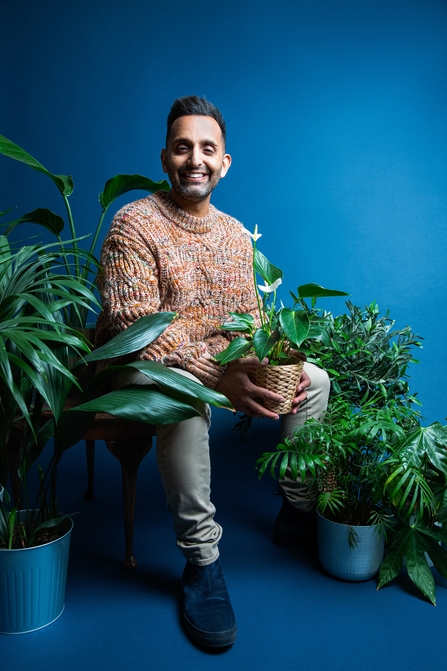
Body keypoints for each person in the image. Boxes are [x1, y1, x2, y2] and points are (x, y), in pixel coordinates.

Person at [96, 95, 330, 649]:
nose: (194, 159)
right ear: (164, 158)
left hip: (217, 366)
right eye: (183, 147)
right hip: (142, 365)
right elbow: (136, 323)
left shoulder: (232, 235)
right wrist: (209, 374)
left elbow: (247, 322)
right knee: (184, 399)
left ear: (225, 163)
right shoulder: (135, 221)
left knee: (313, 379)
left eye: (207, 149)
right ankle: (201, 562)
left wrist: (268, 358)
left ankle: (295, 509)